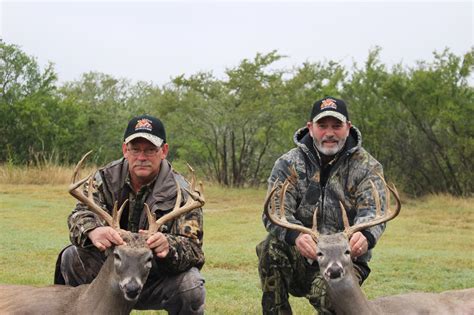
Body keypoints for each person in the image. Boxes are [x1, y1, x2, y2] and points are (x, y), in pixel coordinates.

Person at [54, 114, 205, 314]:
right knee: (70, 257)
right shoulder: (105, 178)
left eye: (150, 150)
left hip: (155, 276)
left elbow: (195, 251)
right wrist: (94, 230)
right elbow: (79, 215)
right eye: (135, 149)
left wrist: (169, 245)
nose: (142, 157)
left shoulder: (184, 192)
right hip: (111, 272)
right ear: (125, 149)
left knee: (191, 285)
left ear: (164, 151)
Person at [256, 97, 388, 314]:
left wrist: (366, 235)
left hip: (345, 260)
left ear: (348, 127)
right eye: (322, 126)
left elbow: (375, 212)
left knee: (335, 304)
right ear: (310, 127)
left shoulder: (366, 167)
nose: (329, 133)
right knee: (271, 247)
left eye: (336, 126)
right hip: (302, 257)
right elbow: (274, 213)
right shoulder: (288, 164)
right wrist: (296, 237)